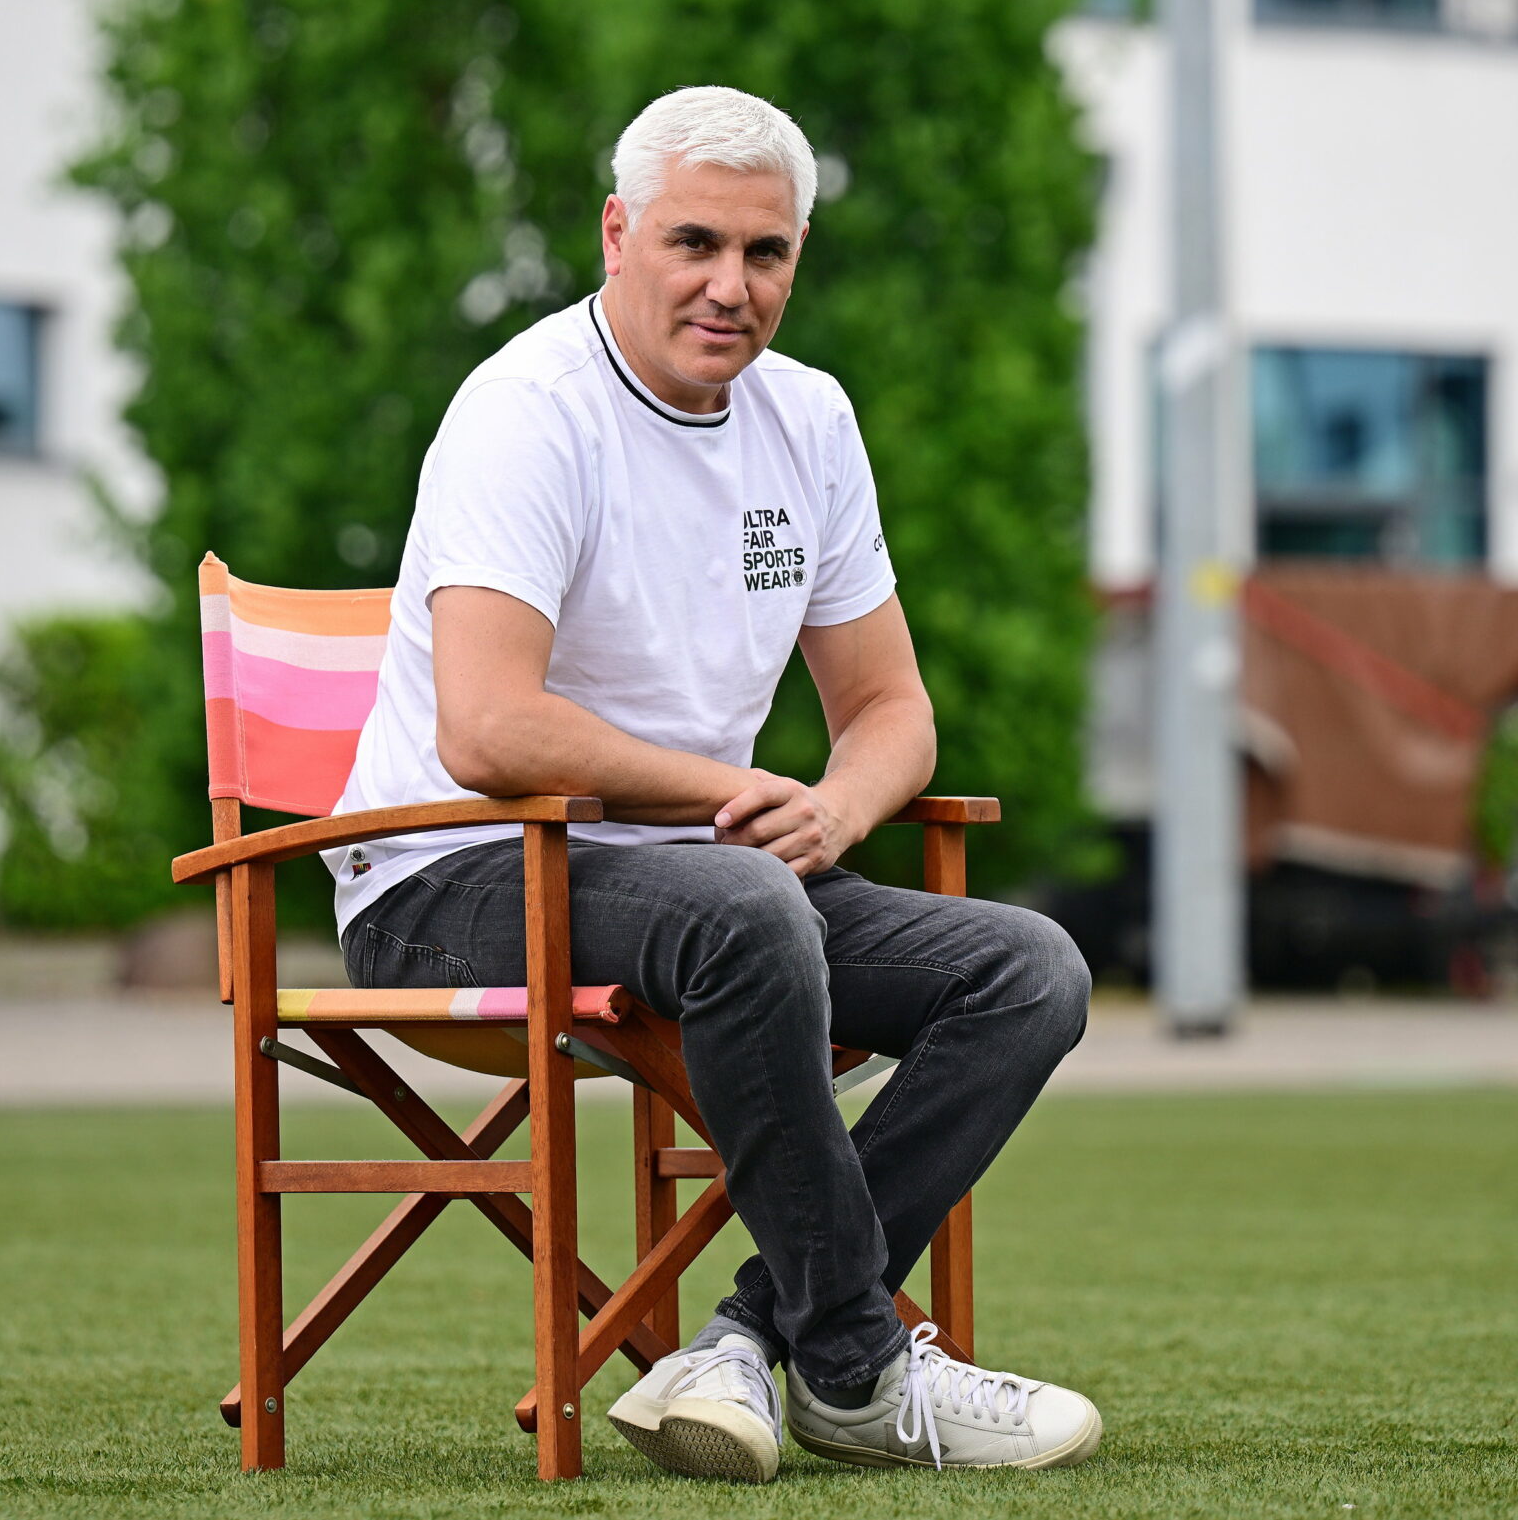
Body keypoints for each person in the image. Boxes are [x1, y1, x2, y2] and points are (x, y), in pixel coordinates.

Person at [324, 85, 1098, 1482]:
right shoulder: (527, 413)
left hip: (712, 888)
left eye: (766, 253)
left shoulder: (807, 420)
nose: (729, 287)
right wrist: (723, 794)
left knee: (1027, 968)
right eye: (693, 244)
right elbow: (489, 727)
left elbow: (889, 707)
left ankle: (751, 1335)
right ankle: (861, 1371)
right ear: (616, 234)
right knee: (748, 904)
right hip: (448, 874)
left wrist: (840, 806)